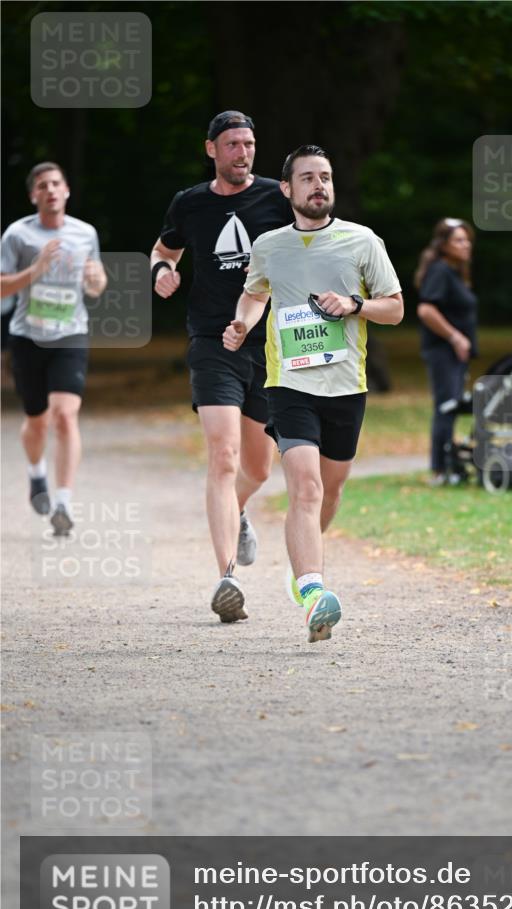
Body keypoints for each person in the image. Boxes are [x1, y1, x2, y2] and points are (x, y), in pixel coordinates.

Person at [223, 144, 403, 642]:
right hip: (289, 384)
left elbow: (394, 309)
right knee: (305, 487)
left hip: (346, 386)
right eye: (307, 178)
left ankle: (303, 563)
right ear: (287, 189)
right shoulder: (270, 245)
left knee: (332, 488)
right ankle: (312, 591)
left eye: (324, 176)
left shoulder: (362, 240)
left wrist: (354, 305)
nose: (318, 185)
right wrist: (242, 323)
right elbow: (255, 293)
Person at [150, 110, 294, 623]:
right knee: (224, 455)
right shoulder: (190, 203)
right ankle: (227, 578)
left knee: (257, 468)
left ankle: (239, 509)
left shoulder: (278, 197)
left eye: (249, 144)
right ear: (211, 149)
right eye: (232, 144)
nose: (243, 152)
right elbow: (164, 249)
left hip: (268, 345)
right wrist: (161, 271)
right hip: (213, 343)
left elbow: (311, 247)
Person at [0, 161, 106, 535]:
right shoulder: (18, 234)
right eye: (42, 185)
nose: (50, 190)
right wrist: (36, 269)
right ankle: (36, 473)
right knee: (37, 420)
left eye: (56, 183)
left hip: (70, 334)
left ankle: (63, 503)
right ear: (34, 195)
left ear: (66, 191)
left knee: (64, 416)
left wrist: (96, 279)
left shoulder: (85, 233)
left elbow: (95, 285)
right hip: (28, 336)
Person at [414, 218, 477, 486]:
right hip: (442, 352)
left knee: (451, 407)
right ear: (444, 245)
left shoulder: (454, 272)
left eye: (467, 240)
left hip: (455, 355)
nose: (466, 245)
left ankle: (449, 466)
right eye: (459, 240)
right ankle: (439, 469)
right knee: (446, 407)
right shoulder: (440, 271)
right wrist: (455, 337)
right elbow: (426, 309)